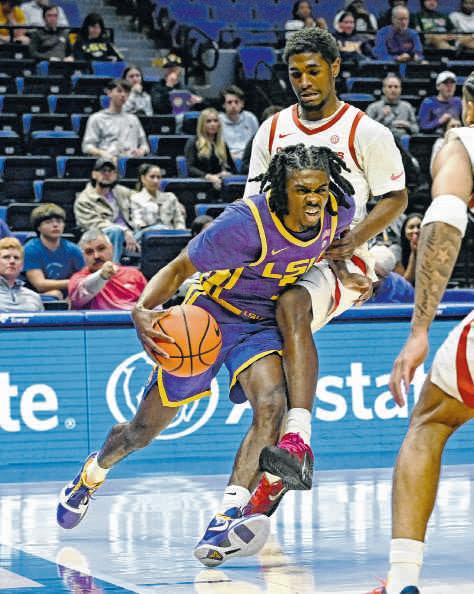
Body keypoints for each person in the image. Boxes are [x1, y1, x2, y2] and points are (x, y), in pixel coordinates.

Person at [56, 144, 361, 567]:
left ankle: (227, 515)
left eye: (320, 189)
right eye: (302, 190)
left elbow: (333, 245)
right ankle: (92, 474)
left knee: (272, 405)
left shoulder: (337, 210)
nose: (314, 199)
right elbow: (180, 268)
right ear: (281, 190)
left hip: (260, 324)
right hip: (210, 316)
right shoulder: (243, 224)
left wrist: (345, 273)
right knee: (141, 432)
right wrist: (142, 309)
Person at [245, 27, 407, 494]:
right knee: (269, 381)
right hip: (280, 259)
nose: (304, 82)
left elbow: (396, 197)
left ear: (334, 68)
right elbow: (252, 203)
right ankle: (258, 494)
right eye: (295, 74)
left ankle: (298, 439)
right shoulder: (272, 129)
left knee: (292, 304)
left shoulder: (365, 131)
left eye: (313, 71)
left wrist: (355, 238)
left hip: (339, 259)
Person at [368, 71, 474, 594]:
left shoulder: (464, 141)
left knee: (430, 422)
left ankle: (404, 578)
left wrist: (420, 330)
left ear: (469, 107)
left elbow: (446, 216)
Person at [74, 158, 139, 263]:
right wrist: (124, 230)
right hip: (101, 239)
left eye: (110, 171)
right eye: (103, 170)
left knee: (157, 229)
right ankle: (112, 268)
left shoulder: (120, 191)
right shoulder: (84, 199)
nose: (107, 174)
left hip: (131, 236)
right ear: (94, 174)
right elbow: (95, 225)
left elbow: (141, 199)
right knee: (115, 231)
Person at [68, 229, 147, 310]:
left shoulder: (134, 274)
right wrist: (102, 276)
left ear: (111, 248)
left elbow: (150, 306)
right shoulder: (77, 279)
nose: (96, 256)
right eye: (89, 252)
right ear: (83, 256)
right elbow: (83, 293)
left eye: (101, 248)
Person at [23, 203, 84, 300]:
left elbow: (84, 276)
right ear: (38, 227)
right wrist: (74, 282)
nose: (55, 225)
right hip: (36, 296)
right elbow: (40, 284)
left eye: (59, 222)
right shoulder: (30, 249)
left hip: (69, 294)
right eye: (48, 222)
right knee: (55, 294)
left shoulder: (73, 249)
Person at [82, 79, 149, 161]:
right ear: (109, 93)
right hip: (107, 162)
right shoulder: (96, 118)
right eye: (119, 91)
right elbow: (87, 147)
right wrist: (102, 153)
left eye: (126, 92)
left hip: (131, 161)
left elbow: (145, 145)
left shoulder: (134, 119)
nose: (123, 95)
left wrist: (141, 151)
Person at [184, 108, 237, 192]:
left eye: (215, 121)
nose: (213, 124)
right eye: (208, 121)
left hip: (220, 184)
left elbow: (233, 169)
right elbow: (190, 168)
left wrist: (226, 173)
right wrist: (209, 177)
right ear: (202, 124)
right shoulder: (193, 142)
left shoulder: (222, 144)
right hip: (200, 186)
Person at [131, 164, 186, 235]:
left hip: (170, 235)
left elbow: (179, 221)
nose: (156, 181)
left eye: (158, 177)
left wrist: (179, 233)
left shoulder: (170, 197)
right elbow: (138, 224)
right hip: (148, 236)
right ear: (143, 179)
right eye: (152, 177)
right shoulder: (136, 199)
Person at [366, 74, 419, 139]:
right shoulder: (373, 107)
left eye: (396, 87)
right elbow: (366, 130)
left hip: (400, 142)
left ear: (400, 89)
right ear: (383, 89)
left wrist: (407, 125)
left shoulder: (407, 106)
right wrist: (381, 116)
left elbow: (416, 129)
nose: (393, 90)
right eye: (390, 87)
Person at [0, 237, 43, 312]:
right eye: (6, 257)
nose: (12, 261)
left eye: (16, 258)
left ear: (22, 265)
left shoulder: (34, 297)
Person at [219, 85, 259, 162]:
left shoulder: (250, 118)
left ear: (242, 104)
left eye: (236, 102)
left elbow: (257, 142)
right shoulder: (218, 120)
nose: (233, 105)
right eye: (229, 102)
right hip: (227, 159)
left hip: (249, 158)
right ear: (223, 105)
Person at [393, 212, 422, 285]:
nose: (416, 230)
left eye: (419, 227)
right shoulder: (396, 250)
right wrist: (414, 253)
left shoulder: (432, 249)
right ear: (404, 231)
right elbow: (404, 284)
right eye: (411, 227)